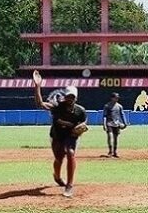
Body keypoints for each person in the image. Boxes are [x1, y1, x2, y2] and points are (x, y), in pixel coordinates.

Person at [33, 70, 87, 198]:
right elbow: (40, 104)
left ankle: (69, 185)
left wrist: (81, 127)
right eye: (68, 96)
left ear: (76, 98)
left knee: (70, 153)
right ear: (65, 96)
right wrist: (37, 87)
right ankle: (57, 176)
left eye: (72, 97)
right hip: (57, 135)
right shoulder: (58, 106)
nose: (70, 99)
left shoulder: (80, 111)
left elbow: (84, 120)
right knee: (59, 158)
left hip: (71, 136)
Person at [103, 93, 127, 158]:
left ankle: (115, 152)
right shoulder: (107, 106)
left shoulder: (119, 106)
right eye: (115, 97)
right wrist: (104, 124)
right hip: (109, 123)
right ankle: (110, 151)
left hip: (117, 124)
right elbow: (104, 116)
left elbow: (122, 114)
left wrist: (125, 123)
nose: (117, 99)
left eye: (117, 98)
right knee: (110, 137)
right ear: (112, 98)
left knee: (115, 138)